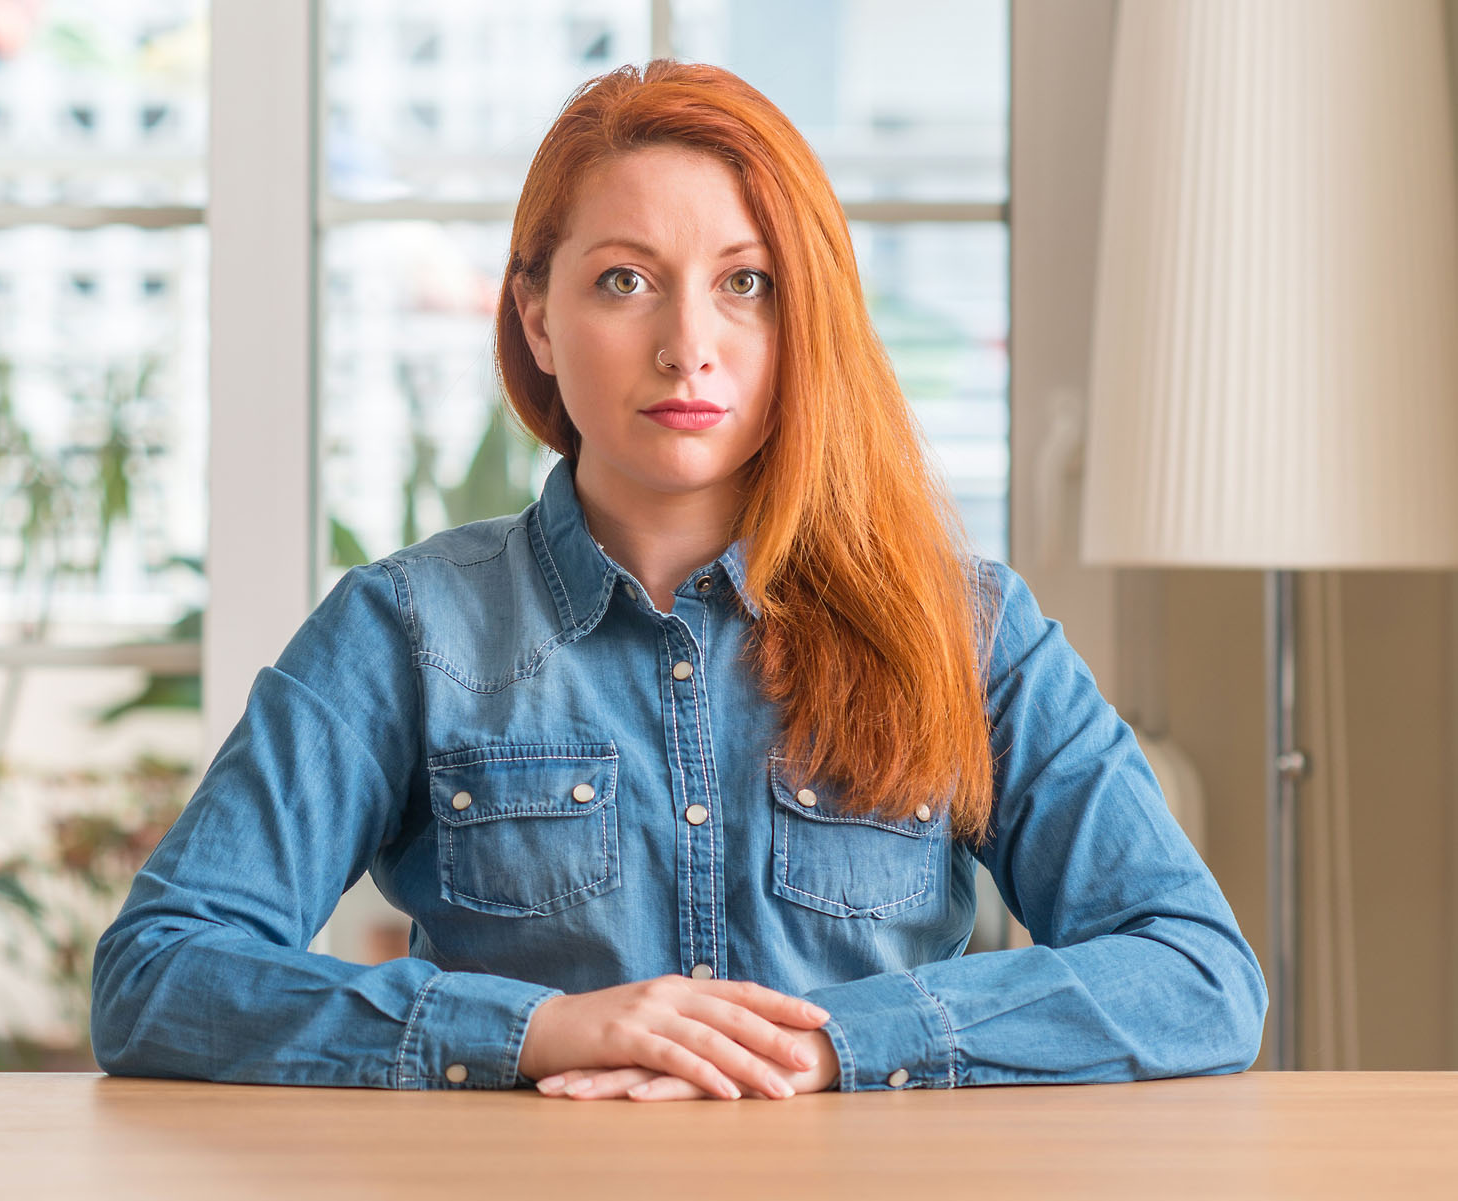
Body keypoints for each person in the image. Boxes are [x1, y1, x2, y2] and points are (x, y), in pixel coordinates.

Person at [90, 60, 1267, 1101]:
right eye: (622, 280)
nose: (687, 343)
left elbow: (1198, 973)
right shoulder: (405, 629)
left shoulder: (966, 629)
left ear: (802, 318)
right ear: (536, 318)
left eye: (745, 283)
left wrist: (834, 1044)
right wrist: (533, 1031)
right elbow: (159, 970)